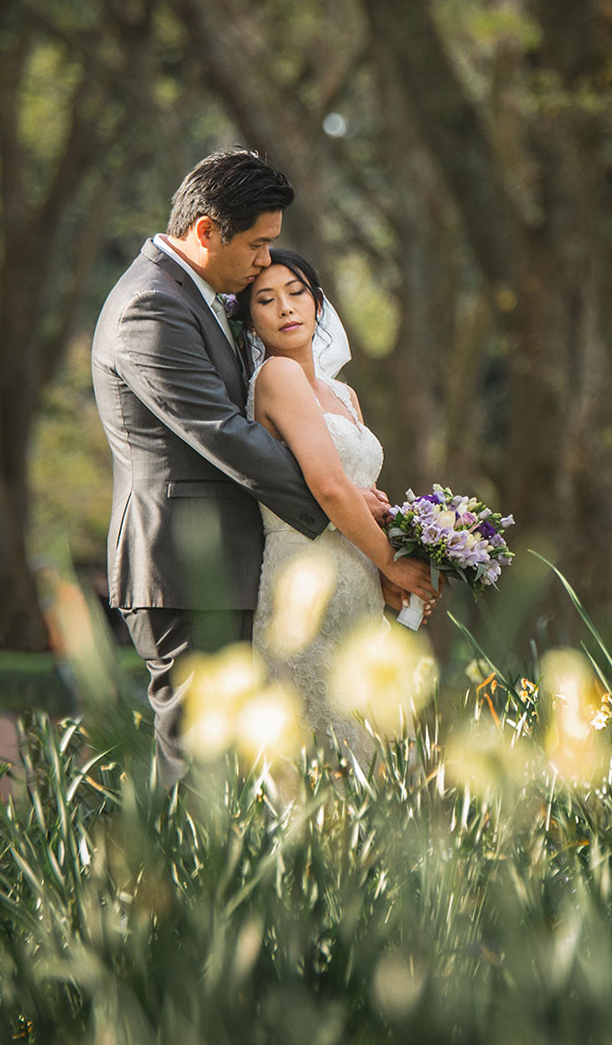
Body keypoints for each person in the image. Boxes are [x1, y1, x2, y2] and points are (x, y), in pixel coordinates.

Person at [89, 148, 433, 785]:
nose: (262, 264)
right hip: (185, 568)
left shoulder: (196, 297)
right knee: (198, 764)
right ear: (206, 232)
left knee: (238, 771)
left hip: (238, 563)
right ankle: (171, 885)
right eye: (256, 245)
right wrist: (347, 505)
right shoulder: (150, 306)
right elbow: (228, 436)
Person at [240, 249, 437, 755]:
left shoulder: (344, 396)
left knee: (372, 747)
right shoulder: (276, 377)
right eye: (266, 300)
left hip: (359, 580)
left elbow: (357, 486)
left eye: (297, 293)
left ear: (319, 304)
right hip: (306, 577)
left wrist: (384, 574)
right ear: (252, 320)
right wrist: (393, 564)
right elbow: (329, 486)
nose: (285, 308)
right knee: (326, 747)